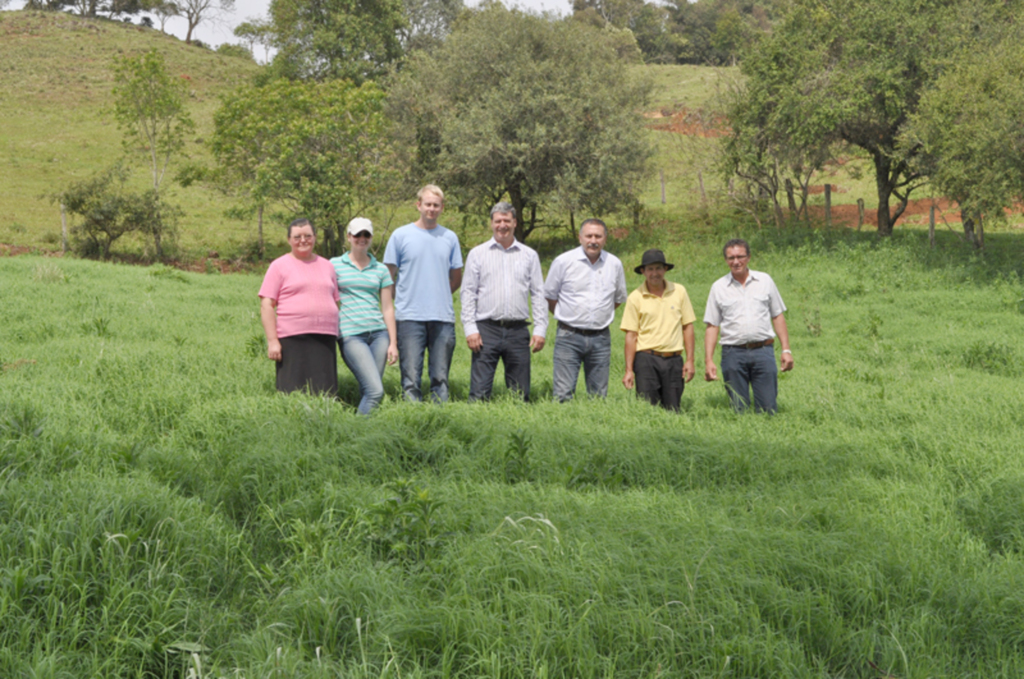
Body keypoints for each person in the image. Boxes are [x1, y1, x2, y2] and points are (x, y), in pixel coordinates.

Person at [383, 185, 464, 402]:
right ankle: (413, 420)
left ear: (442, 208)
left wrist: (438, 294)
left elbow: (456, 278)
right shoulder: (400, 236)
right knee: (410, 377)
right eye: (428, 204)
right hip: (409, 317)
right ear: (418, 205)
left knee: (440, 377)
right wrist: (399, 301)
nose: (432, 209)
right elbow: (387, 276)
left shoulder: (450, 237)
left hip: (442, 317)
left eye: (436, 205)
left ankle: (439, 419)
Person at [460, 202, 548, 402]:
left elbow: (538, 294)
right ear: (491, 223)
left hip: (518, 331)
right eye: (498, 221)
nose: (502, 225)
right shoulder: (477, 254)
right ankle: (475, 430)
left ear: (515, 223)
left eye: (506, 220)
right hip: (485, 330)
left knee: (520, 394)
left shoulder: (529, 255)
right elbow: (468, 293)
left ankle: (518, 430)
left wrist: (540, 329)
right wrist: (470, 328)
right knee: (479, 392)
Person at [704, 238, 794, 414]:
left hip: (763, 351)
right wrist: (708, 360)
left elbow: (777, 315)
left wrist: (786, 350)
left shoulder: (765, 281)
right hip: (732, 354)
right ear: (726, 260)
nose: (736, 262)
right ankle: (740, 439)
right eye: (731, 258)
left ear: (749, 257)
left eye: (740, 256)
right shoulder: (718, 287)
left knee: (768, 408)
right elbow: (712, 326)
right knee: (739, 408)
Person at [544, 218, 627, 402]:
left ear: (605, 238)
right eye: (589, 235)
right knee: (563, 394)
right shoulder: (563, 261)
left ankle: (595, 426)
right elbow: (549, 295)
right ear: (580, 237)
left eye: (598, 236)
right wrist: (567, 315)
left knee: (598, 396)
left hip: (601, 338)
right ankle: (561, 427)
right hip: (568, 335)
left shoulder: (614, 264)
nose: (593, 240)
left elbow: (619, 298)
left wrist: (600, 315)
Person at [258, 218, 340, 395]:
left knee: (325, 391)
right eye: (297, 237)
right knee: (293, 391)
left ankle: (325, 422)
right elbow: (266, 305)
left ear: (315, 237)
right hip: (293, 338)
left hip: (325, 338)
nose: (303, 240)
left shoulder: (327, 266)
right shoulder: (278, 266)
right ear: (289, 240)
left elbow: (335, 301)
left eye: (307, 236)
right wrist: (272, 341)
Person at [330, 218, 398, 415]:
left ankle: (365, 433)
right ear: (349, 237)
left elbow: (387, 308)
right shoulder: (334, 265)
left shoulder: (381, 269)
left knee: (368, 389)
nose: (362, 239)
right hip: (351, 334)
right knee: (375, 391)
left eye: (366, 235)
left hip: (379, 335)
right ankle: (356, 433)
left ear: (371, 238)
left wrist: (393, 342)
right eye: (357, 235)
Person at [620, 249, 696, 411]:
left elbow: (688, 326)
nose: (655, 273)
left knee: (673, 408)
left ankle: (673, 436)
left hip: (674, 360)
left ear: (665, 269)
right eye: (650, 269)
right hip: (646, 360)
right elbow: (631, 335)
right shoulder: (635, 297)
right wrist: (628, 370)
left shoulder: (679, 291)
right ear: (643, 271)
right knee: (647, 409)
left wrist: (690, 360)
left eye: (658, 268)